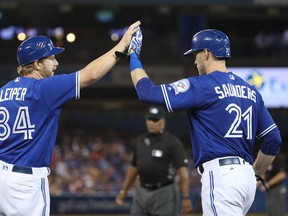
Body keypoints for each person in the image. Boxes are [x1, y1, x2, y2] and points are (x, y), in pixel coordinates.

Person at [125, 28, 282, 215]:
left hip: (222, 176)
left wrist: (133, 55)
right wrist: (255, 172)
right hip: (245, 179)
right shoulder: (251, 91)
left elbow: (147, 92)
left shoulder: (203, 85)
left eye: (196, 54)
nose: (194, 60)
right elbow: (274, 139)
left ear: (206, 53)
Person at [0, 20, 141, 215]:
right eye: (51, 58)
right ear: (37, 64)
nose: (56, 63)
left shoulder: (3, 91)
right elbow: (89, 75)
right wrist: (121, 46)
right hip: (24, 183)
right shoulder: (43, 89)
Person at [115, 105, 193, 216]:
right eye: (149, 119)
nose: (151, 122)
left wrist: (185, 196)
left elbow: (182, 171)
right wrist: (123, 191)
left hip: (164, 192)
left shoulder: (172, 142)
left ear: (163, 121)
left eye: (155, 119)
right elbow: (134, 168)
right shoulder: (140, 141)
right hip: (141, 191)